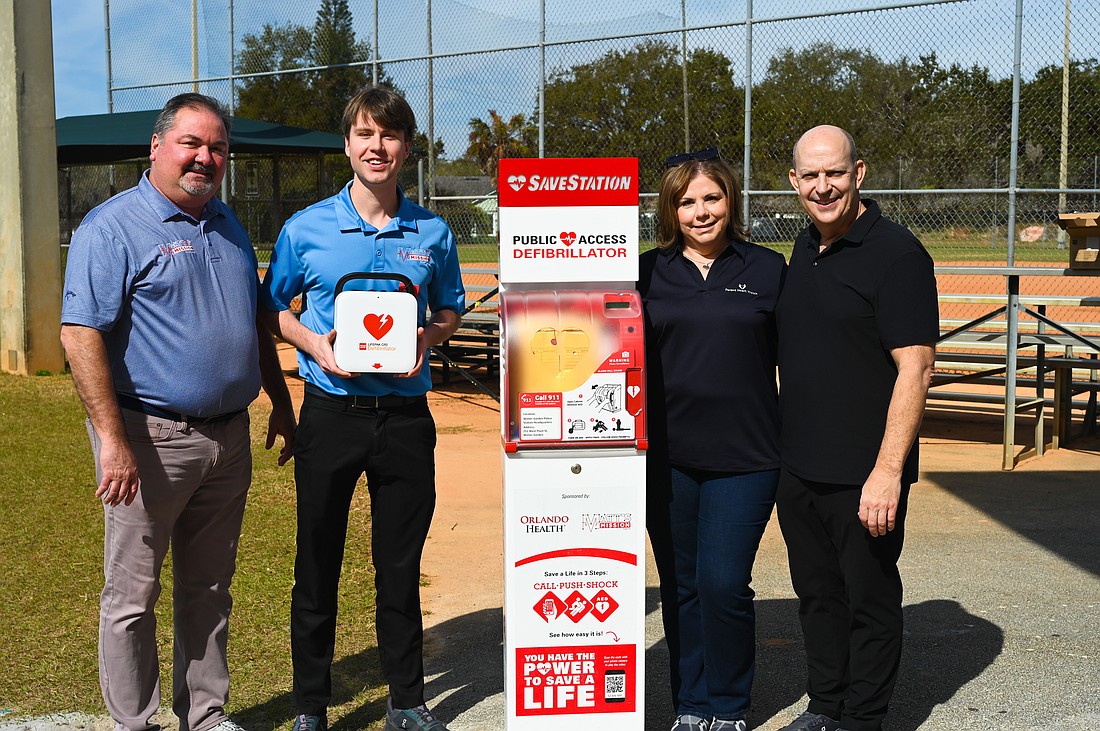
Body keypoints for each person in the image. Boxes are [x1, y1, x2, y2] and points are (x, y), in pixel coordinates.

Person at [60, 93, 295, 731]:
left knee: (209, 589)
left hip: (229, 438)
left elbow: (252, 324)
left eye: (217, 148)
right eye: (192, 144)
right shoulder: (111, 228)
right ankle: (135, 722)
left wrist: (278, 399)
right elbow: (80, 334)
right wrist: (112, 439)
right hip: (149, 438)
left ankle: (206, 714)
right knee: (132, 598)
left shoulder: (228, 224)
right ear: (158, 147)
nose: (205, 157)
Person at [259, 86, 464, 731]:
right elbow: (271, 308)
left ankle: (407, 700)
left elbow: (449, 307)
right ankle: (310, 708)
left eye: (391, 135)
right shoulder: (307, 228)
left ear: (407, 147)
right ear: (347, 144)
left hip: (404, 419)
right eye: (365, 135)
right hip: (332, 414)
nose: (378, 148)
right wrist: (315, 342)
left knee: (399, 567)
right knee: (316, 561)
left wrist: (425, 341)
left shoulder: (432, 230)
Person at [774, 125, 938, 731]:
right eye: (810, 175)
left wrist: (888, 471)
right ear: (794, 182)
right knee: (817, 596)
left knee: (868, 599)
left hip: (865, 473)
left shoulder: (896, 254)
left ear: (859, 173)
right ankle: (826, 705)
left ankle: (866, 718)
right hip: (798, 467)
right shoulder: (802, 247)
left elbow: (915, 367)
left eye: (835, 173)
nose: (823, 186)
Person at [639, 148, 787, 731]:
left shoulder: (769, 269)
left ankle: (728, 707)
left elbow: (800, 359)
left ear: (731, 201)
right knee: (681, 586)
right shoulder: (646, 271)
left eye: (711, 198)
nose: (700, 212)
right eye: (686, 201)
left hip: (746, 458)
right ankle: (692, 705)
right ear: (670, 210)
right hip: (666, 459)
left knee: (723, 583)